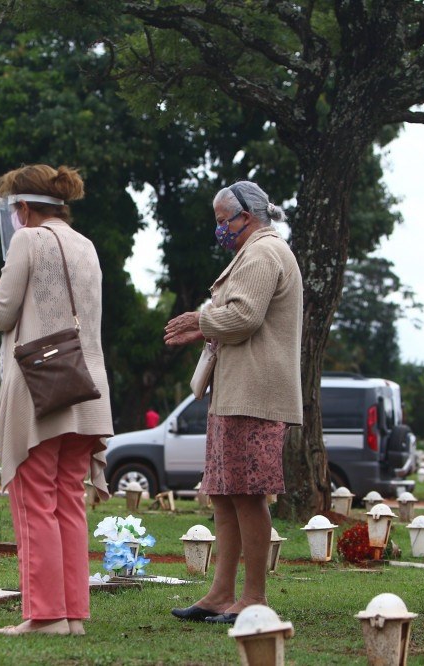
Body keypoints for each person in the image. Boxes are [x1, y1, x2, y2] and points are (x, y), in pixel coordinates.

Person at [0, 164, 113, 637]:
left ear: (25, 207)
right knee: (68, 500)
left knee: (34, 500)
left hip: (41, 383)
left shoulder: (26, 240)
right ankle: (72, 614)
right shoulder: (85, 244)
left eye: (15, 208)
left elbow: (2, 315)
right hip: (88, 384)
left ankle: (46, 615)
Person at [164, 180, 303, 625]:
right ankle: (221, 594)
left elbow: (243, 318)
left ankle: (254, 597)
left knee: (247, 495)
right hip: (236, 392)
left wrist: (199, 319)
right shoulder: (253, 252)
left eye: (224, 221)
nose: (220, 230)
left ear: (248, 216)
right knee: (224, 496)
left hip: (255, 396)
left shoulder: (264, 252)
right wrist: (204, 327)